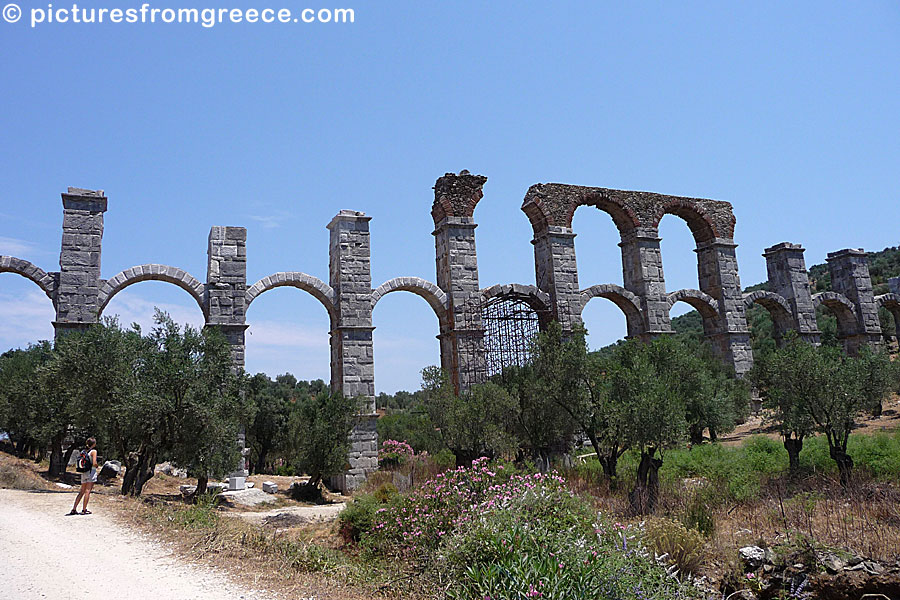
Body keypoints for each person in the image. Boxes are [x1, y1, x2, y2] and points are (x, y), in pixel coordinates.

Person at [69, 437, 98, 515]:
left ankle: (74, 509)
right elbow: (94, 462)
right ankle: (84, 509)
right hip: (91, 472)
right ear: (94, 444)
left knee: (82, 491)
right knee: (87, 491)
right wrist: (97, 466)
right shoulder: (93, 451)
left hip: (84, 472)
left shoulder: (84, 451)